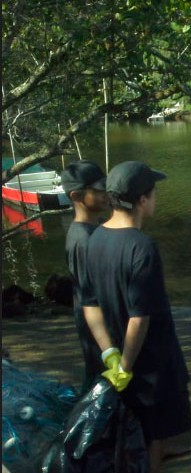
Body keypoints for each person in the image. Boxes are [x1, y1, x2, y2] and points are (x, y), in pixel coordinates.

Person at [81, 161, 191, 473]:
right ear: (143, 200)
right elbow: (140, 317)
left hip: (117, 355)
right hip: (149, 361)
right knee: (151, 436)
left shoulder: (95, 238)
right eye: (153, 194)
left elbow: (89, 304)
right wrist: (127, 366)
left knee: (132, 431)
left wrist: (109, 353)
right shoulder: (142, 247)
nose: (155, 199)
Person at [61, 160, 108, 395]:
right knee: (98, 387)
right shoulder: (82, 239)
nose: (105, 194)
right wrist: (107, 345)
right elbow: (90, 296)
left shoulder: (94, 228)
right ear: (77, 195)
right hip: (95, 329)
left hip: (99, 326)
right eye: (98, 190)